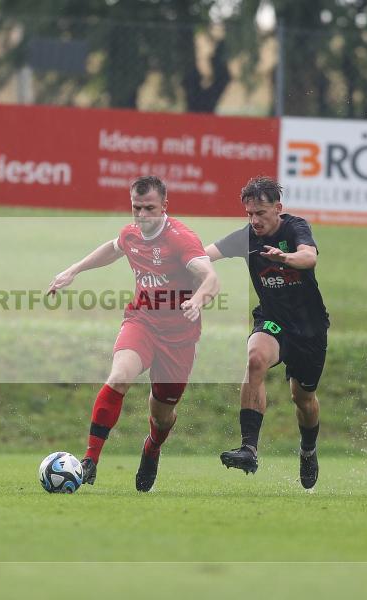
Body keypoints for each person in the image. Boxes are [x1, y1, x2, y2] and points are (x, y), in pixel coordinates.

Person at [48, 175, 219, 492]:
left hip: (179, 337)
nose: (141, 215)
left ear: (164, 206)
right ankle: (90, 460)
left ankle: (152, 447)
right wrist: (73, 270)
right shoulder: (131, 234)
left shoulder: (181, 239)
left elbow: (211, 277)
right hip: (141, 322)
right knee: (119, 377)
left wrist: (197, 300)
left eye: (149, 208)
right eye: (136, 207)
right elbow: (113, 248)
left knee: (163, 416)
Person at [205, 175, 329, 489]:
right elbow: (205, 254)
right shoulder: (246, 237)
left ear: (278, 208)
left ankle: (308, 449)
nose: (255, 221)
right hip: (273, 321)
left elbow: (309, 256)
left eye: (260, 213)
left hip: (310, 328)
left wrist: (284, 257)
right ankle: (249, 448)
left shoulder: (295, 228)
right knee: (255, 359)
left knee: (303, 399)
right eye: (249, 214)